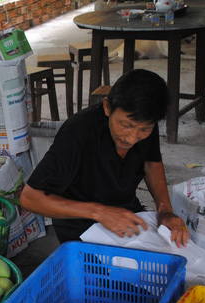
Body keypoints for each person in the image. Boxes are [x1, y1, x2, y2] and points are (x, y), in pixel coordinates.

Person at [21, 69, 189, 247]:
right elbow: (30, 198)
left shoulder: (144, 122)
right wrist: (99, 212)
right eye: (125, 125)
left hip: (127, 216)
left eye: (144, 130)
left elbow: (151, 162)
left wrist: (165, 210)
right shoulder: (77, 135)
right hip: (82, 228)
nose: (131, 138)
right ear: (108, 107)